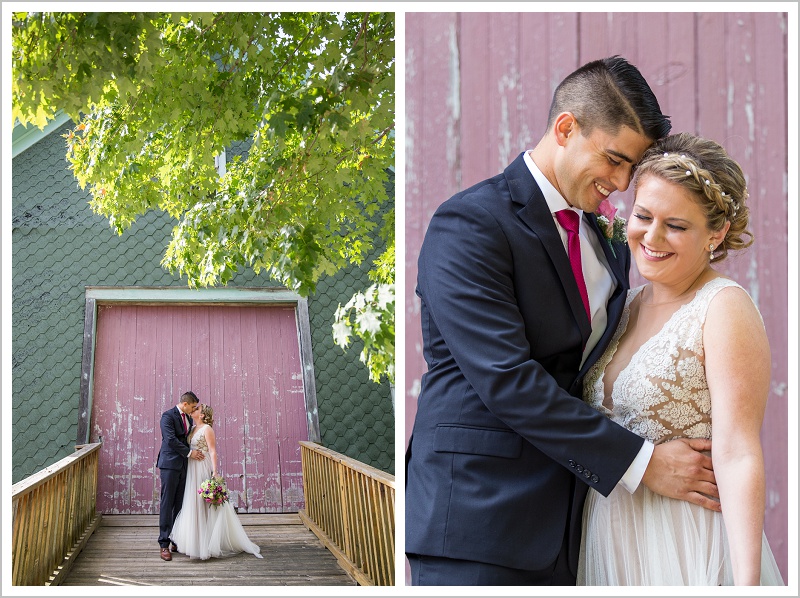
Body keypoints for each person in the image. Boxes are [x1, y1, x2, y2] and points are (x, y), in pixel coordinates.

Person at [405, 56, 721, 586]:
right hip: (479, 521)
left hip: (574, 527)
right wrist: (644, 464)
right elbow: (509, 381)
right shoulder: (470, 224)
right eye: (615, 160)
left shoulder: (609, 242)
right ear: (566, 128)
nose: (621, 184)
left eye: (632, 168)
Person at [577, 132, 784, 586]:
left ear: (717, 233)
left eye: (676, 225)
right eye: (643, 215)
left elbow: (738, 452)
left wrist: (746, 584)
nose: (651, 237)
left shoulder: (724, 306)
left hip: (682, 544)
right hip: (605, 540)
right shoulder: (622, 305)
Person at [170, 403, 263, 560]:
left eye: (197, 409)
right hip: (192, 468)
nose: (193, 410)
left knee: (204, 502)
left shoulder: (207, 429)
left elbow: (212, 451)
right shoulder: (192, 429)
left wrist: (215, 471)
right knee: (193, 502)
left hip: (202, 467)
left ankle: (207, 543)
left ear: (202, 415)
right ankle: (195, 541)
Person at [157, 390, 205, 562]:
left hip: (184, 467)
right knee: (167, 502)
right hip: (169, 465)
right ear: (185, 404)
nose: (193, 410)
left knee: (180, 503)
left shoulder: (188, 418)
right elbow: (170, 439)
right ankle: (164, 543)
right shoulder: (167, 416)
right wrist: (190, 453)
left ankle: (176, 539)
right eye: (192, 407)